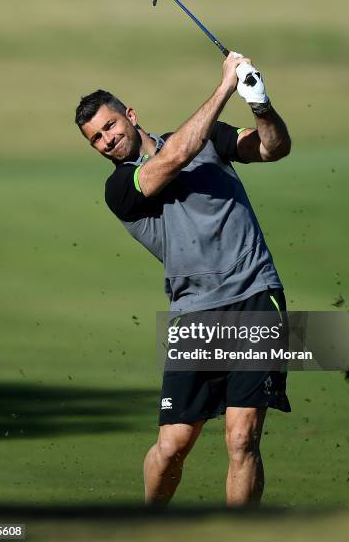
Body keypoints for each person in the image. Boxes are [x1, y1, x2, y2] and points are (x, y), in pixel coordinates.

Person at [75, 52, 292, 506]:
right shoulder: (121, 189)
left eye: (111, 126)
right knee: (174, 446)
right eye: (96, 139)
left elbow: (273, 148)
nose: (107, 140)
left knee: (241, 437)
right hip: (194, 313)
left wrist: (261, 103)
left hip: (255, 296)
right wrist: (224, 87)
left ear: (130, 116)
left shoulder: (210, 138)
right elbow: (175, 157)